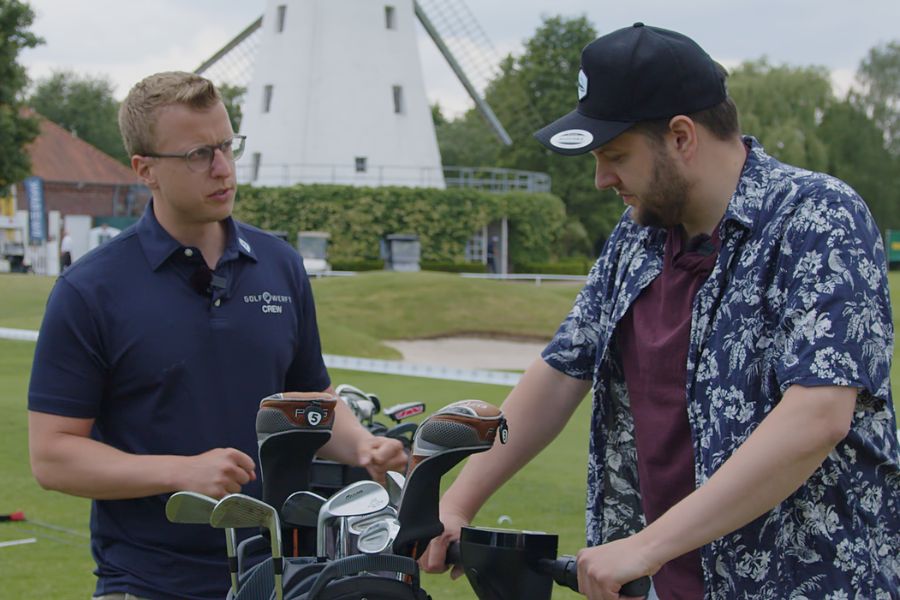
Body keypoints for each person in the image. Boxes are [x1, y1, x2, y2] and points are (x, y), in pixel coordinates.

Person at [421, 23, 900, 599]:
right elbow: (561, 368)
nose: (602, 179)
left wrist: (648, 546)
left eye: (616, 155)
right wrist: (458, 501)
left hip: (805, 584)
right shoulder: (638, 235)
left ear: (681, 136)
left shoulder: (818, 218)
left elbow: (818, 416)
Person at [27, 71, 406, 600]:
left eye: (228, 146)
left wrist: (364, 446)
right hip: (145, 582)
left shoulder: (281, 265)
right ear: (145, 170)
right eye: (198, 155)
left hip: (281, 577)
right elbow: (53, 456)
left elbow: (312, 402)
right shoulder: (89, 289)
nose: (223, 169)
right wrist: (180, 472)